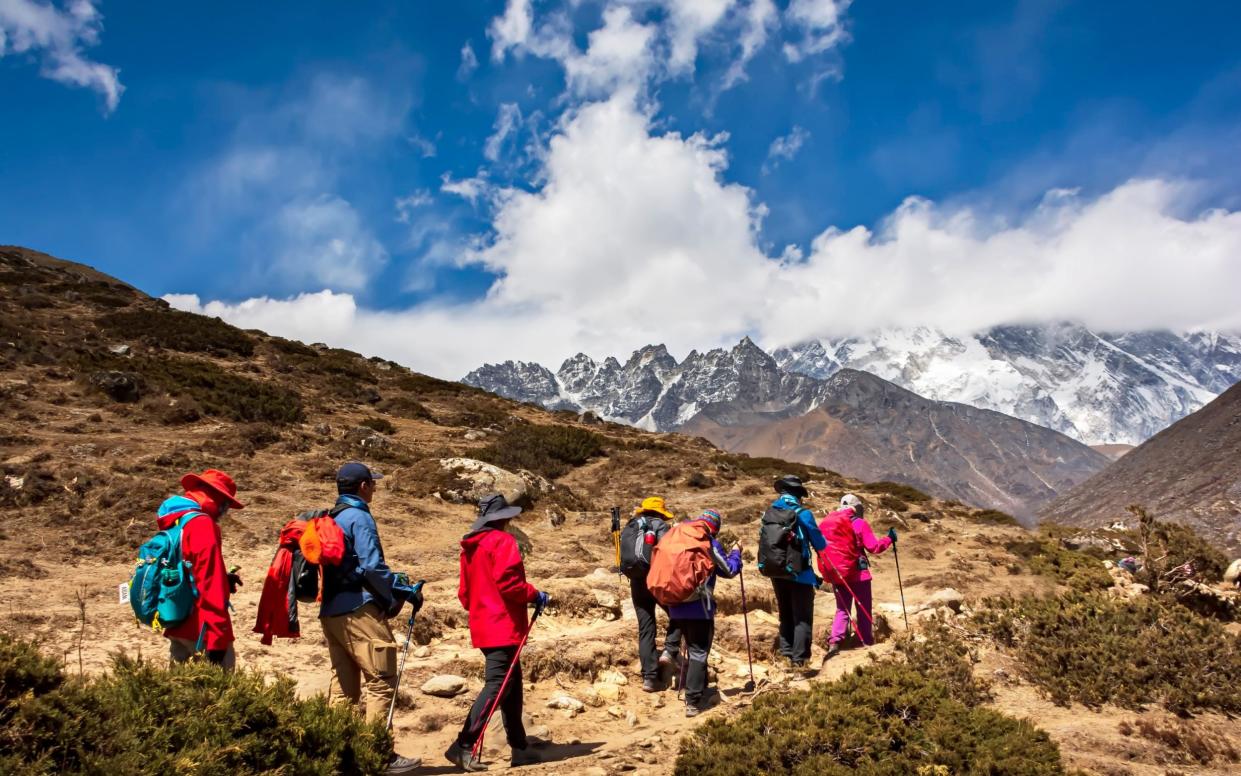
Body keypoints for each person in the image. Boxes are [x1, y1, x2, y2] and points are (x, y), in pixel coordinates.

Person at [318, 461, 421, 776]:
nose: (375, 488)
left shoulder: (330, 516)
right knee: (381, 681)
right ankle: (378, 754)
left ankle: (341, 756)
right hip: (359, 611)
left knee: (343, 687)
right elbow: (373, 567)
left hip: (331, 611)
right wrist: (395, 596)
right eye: (372, 483)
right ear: (363, 486)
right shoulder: (359, 517)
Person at [447, 494, 551, 772]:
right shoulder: (503, 542)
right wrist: (536, 594)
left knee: (511, 685)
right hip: (503, 625)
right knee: (497, 685)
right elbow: (511, 584)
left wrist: (482, 607)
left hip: (484, 624)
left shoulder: (470, 547)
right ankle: (464, 744)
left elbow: (464, 594)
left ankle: (519, 747)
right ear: (502, 518)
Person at [157, 469, 244, 670]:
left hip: (176, 620)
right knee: (219, 694)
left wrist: (224, 578)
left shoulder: (176, 520)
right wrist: (217, 639)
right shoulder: (203, 524)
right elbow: (208, 581)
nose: (227, 510)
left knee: (178, 693)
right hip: (202, 628)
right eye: (228, 504)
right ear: (218, 499)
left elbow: (187, 567)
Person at [666, 509, 741, 717]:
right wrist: (736, 552)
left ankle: (699, 686)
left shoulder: (678, 538)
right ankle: (693, 700)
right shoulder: (708, 542)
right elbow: (729, 570)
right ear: (715, 528)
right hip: (700, 607)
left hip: (675, 605)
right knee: (699, 651)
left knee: (690, 647)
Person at [820, 494, 894, 659]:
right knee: (863, 608)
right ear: (857, 509)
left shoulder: (832, 524)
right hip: (859, 574)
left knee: (842, 609)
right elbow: (874, 547)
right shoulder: (859, 523)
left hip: (839, 573)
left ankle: (835, 642)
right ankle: (865, 642)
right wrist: (889, 539)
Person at [766, 475, 827, 669]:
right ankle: (799, 661)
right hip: (799, 573)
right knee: (802, 616)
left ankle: (785, 654)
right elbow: (820, 543)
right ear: (798, 494)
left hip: (775, 570)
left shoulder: (770, 511)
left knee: (785, 613)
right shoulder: (804, 514)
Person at [624, 496, 682, 692]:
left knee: (646, 628)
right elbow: (670, 554)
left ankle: (649, 679)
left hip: (636, 581)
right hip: (657, 581)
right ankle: (670, 650)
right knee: (680, 613)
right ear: (660, 513)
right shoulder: (659, 525)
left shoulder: (631, 525)